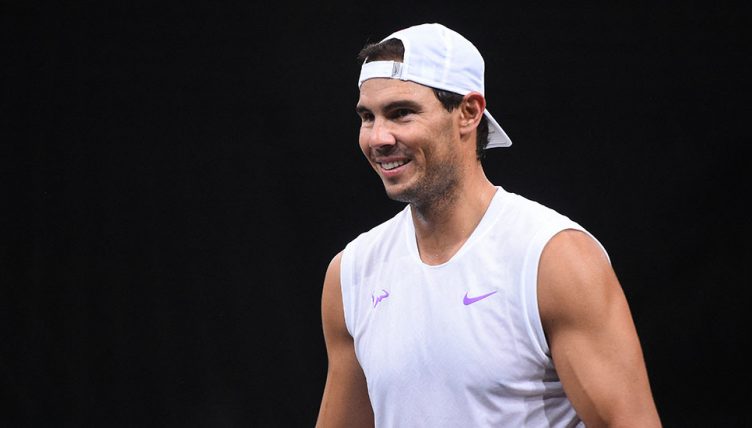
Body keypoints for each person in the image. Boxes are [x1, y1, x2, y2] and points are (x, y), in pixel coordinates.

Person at [316, 23, 661, 427]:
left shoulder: (553, 258)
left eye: (401, 113)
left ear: (469, 112)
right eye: (367, 117)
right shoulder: (352, 273)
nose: (378, 137)